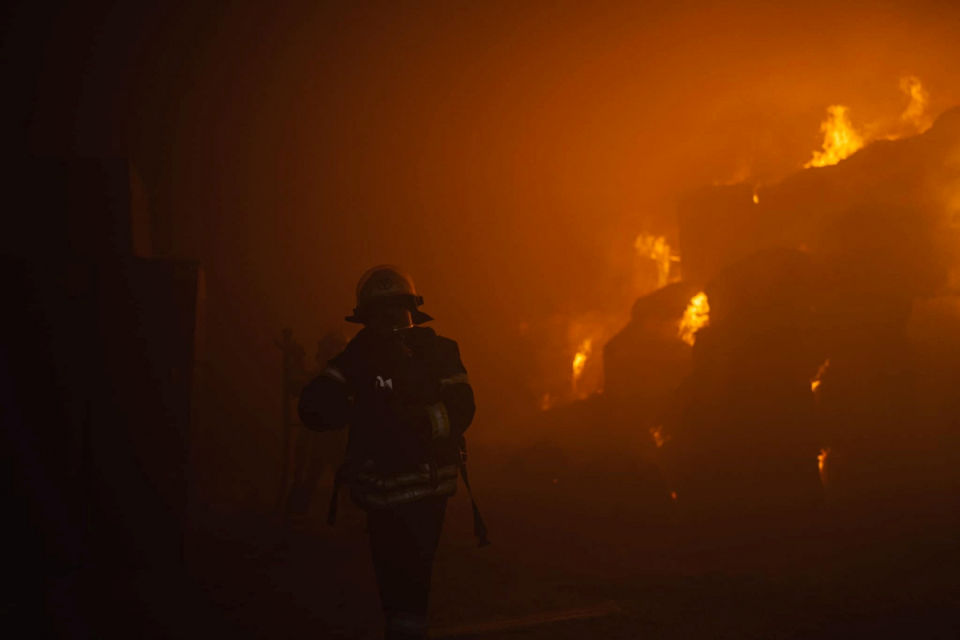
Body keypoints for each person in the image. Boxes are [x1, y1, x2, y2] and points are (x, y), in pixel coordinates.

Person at [298, 265, 479, 640]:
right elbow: (314, 405)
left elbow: (462, 407)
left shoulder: (439, 352)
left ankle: (406, 628)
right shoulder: (358, 355)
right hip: (385, 491)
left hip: (424, 487)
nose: (393, 325)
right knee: (395, 576)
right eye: (384, 316)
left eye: (399, 315)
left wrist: (405, 423)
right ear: (367, 319)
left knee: (409, 575)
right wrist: (348, 407)